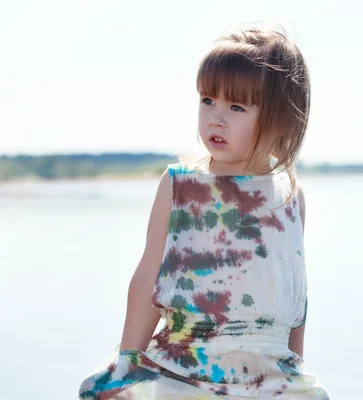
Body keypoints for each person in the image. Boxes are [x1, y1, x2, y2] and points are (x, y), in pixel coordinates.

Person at [78, 23, 330, 399]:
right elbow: (148, 277)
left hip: (267, 374)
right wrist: (128, 361)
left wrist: (295, 370)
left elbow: (295, 293)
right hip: (186, 365)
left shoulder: (290, 195)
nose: (216, 117)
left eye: (237, 106)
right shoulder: (181, 186)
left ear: (278, 118)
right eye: (207, 100)